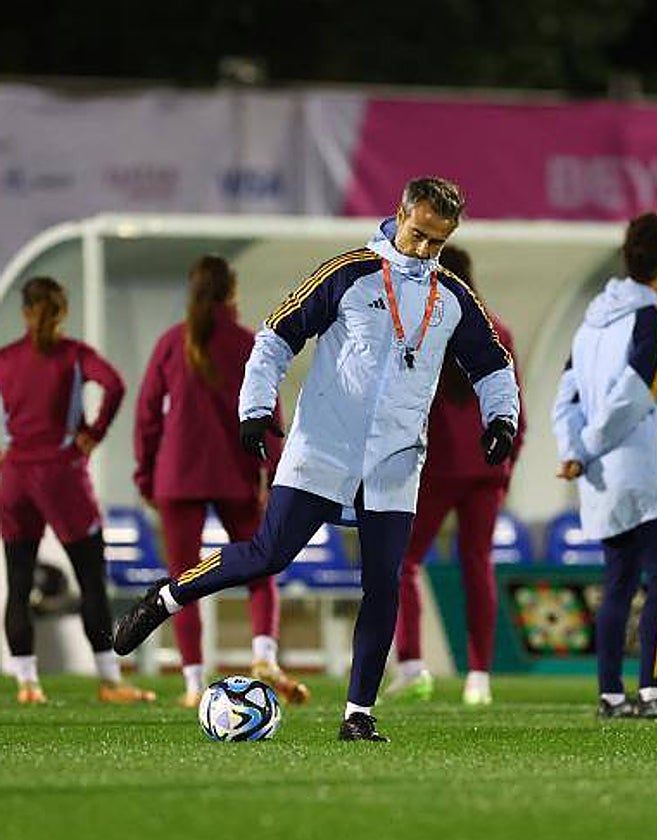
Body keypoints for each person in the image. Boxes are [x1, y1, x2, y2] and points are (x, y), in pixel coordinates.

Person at [114, 177, 520, 741]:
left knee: (382, 584)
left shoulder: (451, 297)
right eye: (419, 234)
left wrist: (501, 418)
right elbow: (276, 336)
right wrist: (254, 408)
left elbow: (494, 365)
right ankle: (168, 595)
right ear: (399, 213)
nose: (425, 249)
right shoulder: (347, 273)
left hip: (396, 461)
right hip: (323, 447)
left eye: (438, 242)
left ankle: (358, 714)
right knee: (268, 554)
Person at [133, 255, 309, 708]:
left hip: (178, 477)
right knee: (260, 565)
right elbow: (270, 415)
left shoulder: (172, 342)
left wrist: (146, 475)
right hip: (239, 474)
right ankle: (264, 656)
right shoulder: (249, 343)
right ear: (231, 292)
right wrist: (272, 474)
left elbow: (147, 416)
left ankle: (193, 684)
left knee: (183, 578)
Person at [552, 212, 657, 721]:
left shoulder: (590, 322)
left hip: (597, 475)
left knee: (618, 579)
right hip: (642, 468)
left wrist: (574, 450)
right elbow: (635, 395)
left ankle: (611, 695)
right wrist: (591, 446)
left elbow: (566, 397)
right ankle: (654, 692)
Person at [0, 277, 155, 705]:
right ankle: (110, 681)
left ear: (24, 311)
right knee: (90, 580)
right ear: (62, 311)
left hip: (13, 477)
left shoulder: (6, 358)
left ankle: (28, 684)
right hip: (62, 474)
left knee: (17, 581)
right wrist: (93, 433)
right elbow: (115, 384)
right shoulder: (73, 355)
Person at [384, 245, 526, 706]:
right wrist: (506, 469)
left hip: (436, 469)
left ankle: (412, 666)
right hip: (486, 470)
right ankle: (479, 678)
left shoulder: (429, 330)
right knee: (477, 565)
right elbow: (513, 409)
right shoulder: (498, 331)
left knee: (402, 561)